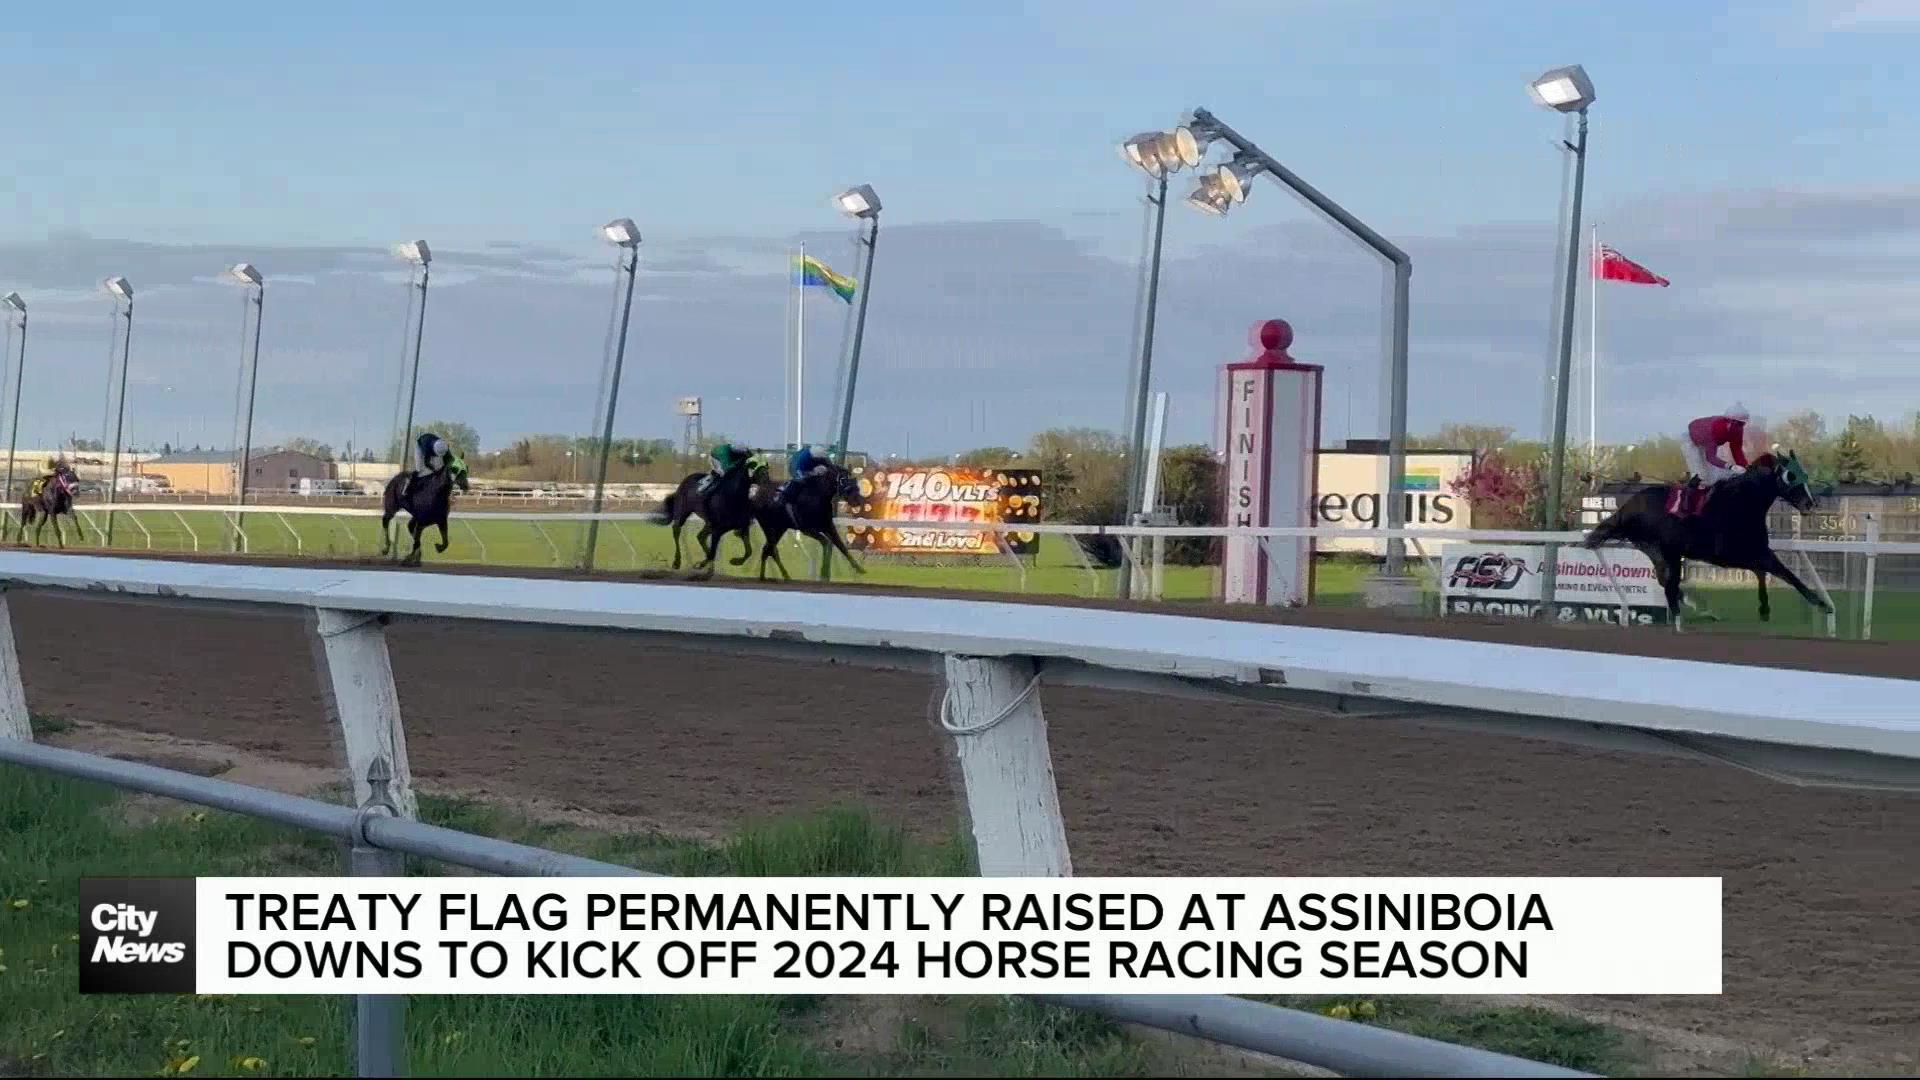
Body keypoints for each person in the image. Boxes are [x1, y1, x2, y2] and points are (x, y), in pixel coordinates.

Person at [1677, 404, 1750, 515]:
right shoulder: (1716, 429)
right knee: (1701, 475)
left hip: (1708, 443)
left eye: (1743, 424)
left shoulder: (1737, 429)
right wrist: (1731, 466)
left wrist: (1744, 467)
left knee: (1720, 474)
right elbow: (1710, 458)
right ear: (1729, 422)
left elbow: (1736, 450)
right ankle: (1686, 503)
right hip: (1691, 442)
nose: (1741, 427)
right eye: (1739, 424)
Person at [403, 432, 450, 499]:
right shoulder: (426, 449)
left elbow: (447, 460)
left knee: (439, 466)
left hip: (432, 443)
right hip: (419, 446)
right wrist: (434, 471)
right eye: (435, 455)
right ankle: (407, 488)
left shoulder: (443, 446)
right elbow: (427, 463)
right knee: (419, 469)